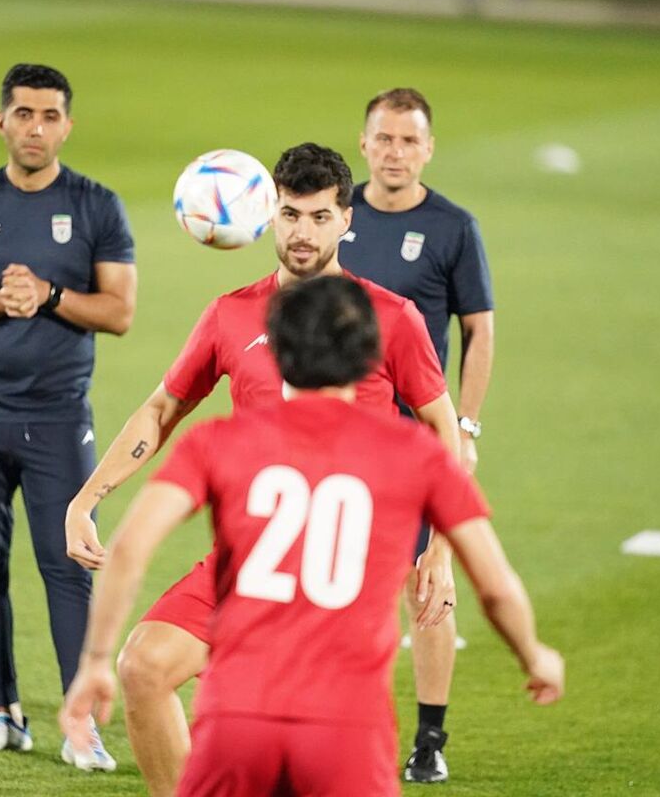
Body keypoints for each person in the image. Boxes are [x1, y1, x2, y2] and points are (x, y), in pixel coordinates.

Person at [59, 276, 564, 797]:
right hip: (345, 731)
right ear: (369, 357)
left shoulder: (218, 442)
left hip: (236, 722)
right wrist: (534, 656)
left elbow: (128, 549)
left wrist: (96, 660)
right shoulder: (413, 455)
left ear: (276, 352)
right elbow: (497, 588)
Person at [64, 142, 463, 796]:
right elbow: (164, 406)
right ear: (267, 215)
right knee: (144, 668)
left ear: (347, 219)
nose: (302, 232)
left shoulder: (389, 317)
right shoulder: (230, 314)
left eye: (317, 216)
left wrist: (438, 552)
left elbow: (441, 428)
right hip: (245, 563)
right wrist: (88, 497)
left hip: (337, 578)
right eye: (289, 215)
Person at [0, 62, 136, 770]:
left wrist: (47, 297)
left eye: (49, 115)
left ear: (67, 125)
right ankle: (2, 715)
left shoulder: (98, 206)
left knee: (68, 566)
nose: (35, 127)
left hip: (57, 417)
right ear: (1, 122)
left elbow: (120, 312)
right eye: (23, 114)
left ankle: (81, 727)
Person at [341, 87, 496, 783]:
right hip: (338, 433)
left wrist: (463, 426)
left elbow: (478, 329)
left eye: (410, 140)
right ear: (364, 143)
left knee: (429, 581)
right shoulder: (335, 217)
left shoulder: (452, 227)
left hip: (417, 434)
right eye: (385, 138)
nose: (396, 151)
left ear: (429, 148)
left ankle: (429, 737)